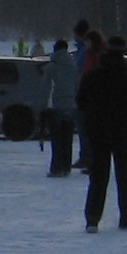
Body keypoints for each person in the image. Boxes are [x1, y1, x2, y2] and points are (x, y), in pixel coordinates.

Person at [76, 30, 127, 231]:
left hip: (97, 131)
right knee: (124, 175)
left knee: (98, 176)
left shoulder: (94, 75)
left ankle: (92, 219)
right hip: (123, 131)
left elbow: (80, 101)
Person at [43, 37, 79, 177]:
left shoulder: (51, 67)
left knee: (57, 140)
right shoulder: (73, 65)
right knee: (67, 139)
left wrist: (43, 106)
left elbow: (45, 88)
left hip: (56, 106)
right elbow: (78, 85)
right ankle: (66, 167)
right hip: (71, 105)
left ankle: (57, 168)